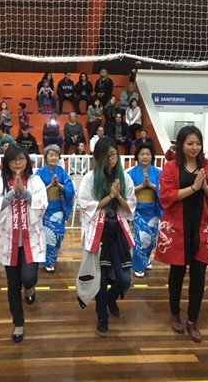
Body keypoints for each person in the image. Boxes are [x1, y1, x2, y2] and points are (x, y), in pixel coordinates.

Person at [154, 126, 208, 343]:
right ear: (181, 145)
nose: (194, 148)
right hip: (178, 228)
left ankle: (193, 319)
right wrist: (194, 188)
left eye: (198, 143)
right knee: (176, 274)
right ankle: (174, 312)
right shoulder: (170, 168)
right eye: (190, 143)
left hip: (202, 228)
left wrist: (204, 187)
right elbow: (166, 197)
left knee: (199, 276)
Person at [0, 144, 48, 343]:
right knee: (12, 285)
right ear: (7, 163)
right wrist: (13, 193)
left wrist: (25, 193)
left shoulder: (36, 180)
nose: (18, 163)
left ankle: (30, 287)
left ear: (27, 160)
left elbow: (42, 203)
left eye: (21, 159)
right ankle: (18, 323)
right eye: (13, 160)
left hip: (31, 238)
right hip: (8, 240)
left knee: (28, 278)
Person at [76, 137, 137, 337]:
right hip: (98, 233)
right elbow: (86, 207)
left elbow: (131, 209)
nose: (112, 159)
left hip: (118, 232)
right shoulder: (89, 178)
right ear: (98, 157)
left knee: (124, 278)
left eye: (114, 154)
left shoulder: (125, 178)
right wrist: (109, 196)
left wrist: (118, 196)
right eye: (107, 155)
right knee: (100, 280)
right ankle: (102, 317)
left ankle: (112, 299)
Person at [36, 145, 75, 272]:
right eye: (51, 155)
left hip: (58, 209)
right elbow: (36, 191)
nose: (53, 157)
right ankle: (47, 261)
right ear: (46, 157)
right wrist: (49, 186)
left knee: (58, 235)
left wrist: (59, 185)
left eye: (56, 155)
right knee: (46, 236)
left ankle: (51, 259)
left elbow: (70, 190)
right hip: (45, 210)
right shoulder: (39, 173)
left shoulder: (62, 172)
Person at [127, 143, 162, 277]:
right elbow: (128, 192)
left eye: (148, 154)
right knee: (141, 238)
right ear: (137, 156)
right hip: (138, 210)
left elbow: (164, 191)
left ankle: (146, 258)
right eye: (142, 154)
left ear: (152, 156)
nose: (145, 157)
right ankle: (137, 266)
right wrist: (142, 186)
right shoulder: (131, 173)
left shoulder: (159, 173)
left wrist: (151, 186)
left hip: (152, 209)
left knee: (152, 239)